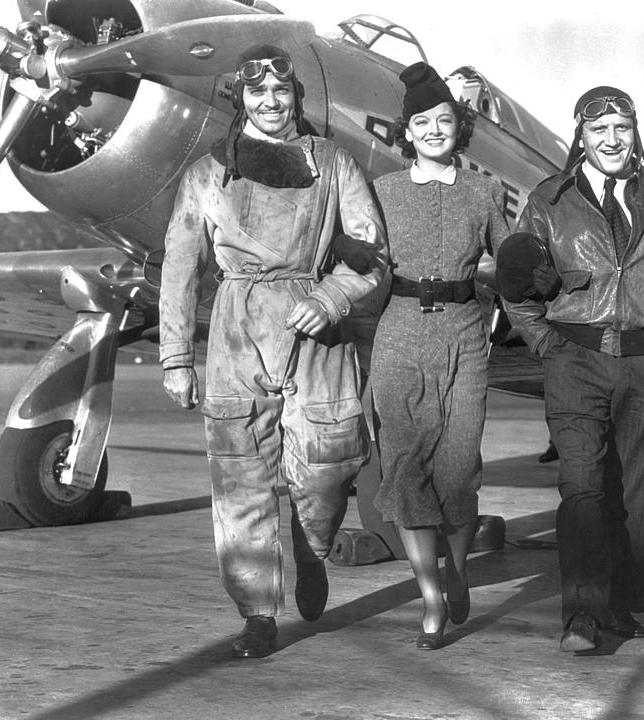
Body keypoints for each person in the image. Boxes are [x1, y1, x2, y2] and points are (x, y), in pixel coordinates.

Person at [158, 44, 388, 659]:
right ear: (243, 99)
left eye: (281, 92)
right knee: (239, 478)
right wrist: (176, 357)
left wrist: (334, 295)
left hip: (315, 328)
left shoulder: (334, 163)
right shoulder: (208, 173)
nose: (270, 101)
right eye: (257, 92)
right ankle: (258, 611)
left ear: (295, 97)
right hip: (237, 327)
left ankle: (313, 550)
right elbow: (180, 267)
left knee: (330, 463)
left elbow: (371, 250)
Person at [499, 86, 644, 652]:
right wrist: (549, 348)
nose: (612, 140)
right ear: (581, 137)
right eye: (599, 131)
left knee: (641, 498)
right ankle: (582, 616)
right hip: (577, 360)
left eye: (622, 128)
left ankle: (620, 607)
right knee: (583, 488)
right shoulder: (548, 200)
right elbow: (515, 287)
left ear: (635, 132)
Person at [370, 62, 510, 650]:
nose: (433, 130)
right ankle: (429, 595)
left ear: (461, 127)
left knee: (458, 467)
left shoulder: (485, 191)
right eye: (421, 122)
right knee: (404, 467)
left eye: (444, 120)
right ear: (407, 131)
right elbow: (359, 260)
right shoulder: (381, 193)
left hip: (465, 335)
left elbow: (510, 259)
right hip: (398, 335)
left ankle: (457, 569)